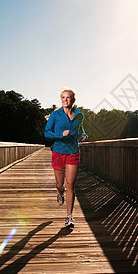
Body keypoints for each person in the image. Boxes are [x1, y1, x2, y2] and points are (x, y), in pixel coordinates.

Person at [44, 88, 87, 228]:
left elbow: (80, 129)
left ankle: (69, 217)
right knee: (59, 184)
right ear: (60, 99)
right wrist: (60, 135)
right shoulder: (55, 115)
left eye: (68, 98)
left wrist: (84, 134)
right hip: (58, 152)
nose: (65, 100)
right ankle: (59, 192)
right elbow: (47, 133)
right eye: (63, 97)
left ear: (73, 100)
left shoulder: (79, 115)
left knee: (70, 184)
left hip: (73, 152)